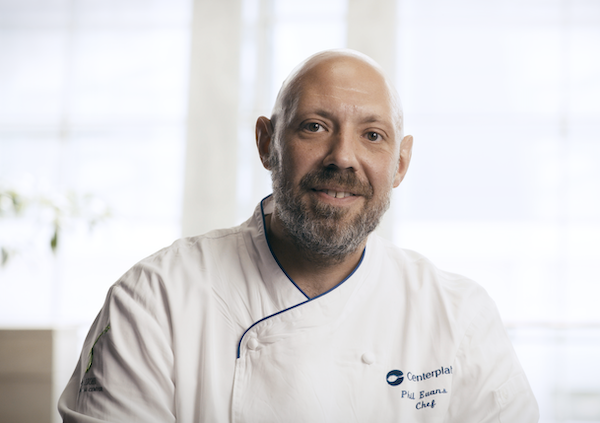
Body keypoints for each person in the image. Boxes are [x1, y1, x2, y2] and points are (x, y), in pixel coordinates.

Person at [59, 49, 539, 422]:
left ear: (401, 164)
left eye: (372, 135)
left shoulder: (459, 316)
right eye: (314, 127)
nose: (342, 158)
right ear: (267, 144)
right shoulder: (154, 299)